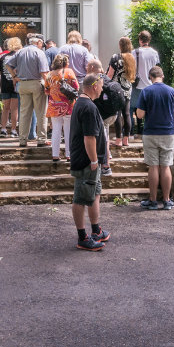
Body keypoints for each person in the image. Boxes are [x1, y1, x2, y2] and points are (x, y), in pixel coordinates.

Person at [68, 73, 110, 251]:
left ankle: (95, 230)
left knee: (94, 194)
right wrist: (93, 159)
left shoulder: (82, 103)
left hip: (91, 161)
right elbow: (89, 138)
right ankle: (82, 237)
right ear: (94, 86)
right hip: (86, 161)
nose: (102, 89)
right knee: (81, 197)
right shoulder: (88, 107)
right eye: (101, 86)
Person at [135, 65, 174, 210]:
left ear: (150, 77)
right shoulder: (171, 91)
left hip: (150, 133)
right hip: (167, 133)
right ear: (162, 76)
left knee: (153, 166)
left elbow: (140, 115)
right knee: (166, 166)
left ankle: (153, 200)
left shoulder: (146, 91)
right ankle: (167, 201)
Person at [8, 34, 50, 147]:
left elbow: (8, 64)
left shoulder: (20, 51)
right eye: (42, 44)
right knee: (41, 112)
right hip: (36, 83)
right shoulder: (39, 52)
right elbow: (43, 72)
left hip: (22, 84)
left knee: (24, 113)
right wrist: (49, 85)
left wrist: (14, 76)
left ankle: (22, 139)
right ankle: (41, 139)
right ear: (38, 43)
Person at [44, 53, 78, 162]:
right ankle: (69, 155)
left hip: (54, 105)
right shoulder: (69, 72)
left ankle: (55, 155)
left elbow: (46, 90)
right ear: (65, 63)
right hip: (68, 105)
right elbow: (76, 87)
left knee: (56, 130)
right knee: (68, 130)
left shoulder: (49, 74)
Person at [107, 37, 137, 147]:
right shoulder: (132, 59)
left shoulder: (116, 57)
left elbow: (110, 74)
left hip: (116, 89)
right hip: (128, 88)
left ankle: (118, 139)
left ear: (120, 45)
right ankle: (126, 139)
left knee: (118, 114)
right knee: (127, 113)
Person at [130, 30, 160, 139]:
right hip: (151, 86)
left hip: (138, 85)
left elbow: (131, 68)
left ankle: (131, 133)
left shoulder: (135, 52)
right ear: (149, 40)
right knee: (148, 109)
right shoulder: (154, 53)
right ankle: (146, 131)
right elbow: (157, 68)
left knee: (131, 108)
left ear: (140, 40)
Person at [0, 37, 21, 137]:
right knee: (14, 109)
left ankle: (3, 128)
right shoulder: (19, 57)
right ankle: (14, 130)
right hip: (16, 85)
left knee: (5, 108)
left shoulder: (3, 57)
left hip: (5, 85)